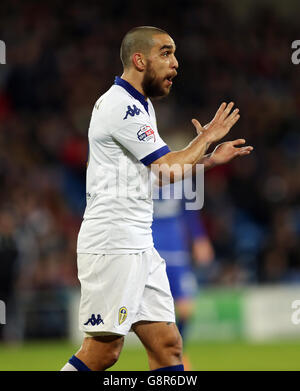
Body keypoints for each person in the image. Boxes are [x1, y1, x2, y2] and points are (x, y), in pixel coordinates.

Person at [61, 26, 253, 371]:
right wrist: (207, 137)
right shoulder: (122, 107)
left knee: (168, 346)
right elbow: (167, 163)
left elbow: (162, 174)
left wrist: (207, 159)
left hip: (139, 241)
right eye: (166, 53)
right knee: (103, 352)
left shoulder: (142, 105)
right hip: (113, 242)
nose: (175, 63)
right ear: (139, 59)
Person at [152, 185, 215, 369]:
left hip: (177, 248)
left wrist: (199, 238)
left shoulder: (182, 173)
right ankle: (166, 355)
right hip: (151, 246)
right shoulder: (143, 167)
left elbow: (189, 210)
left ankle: (178, 352)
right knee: (152, 309)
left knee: (186, 309)